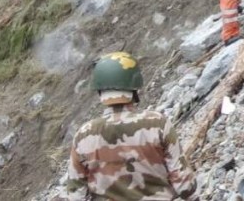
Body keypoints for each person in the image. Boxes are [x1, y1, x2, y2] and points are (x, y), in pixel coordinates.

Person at [66, 52, 197, 201]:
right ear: (134, 88)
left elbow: (76, 193)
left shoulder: (84, 135)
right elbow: (185, 186)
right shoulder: (158, 123)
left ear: (100, 91)